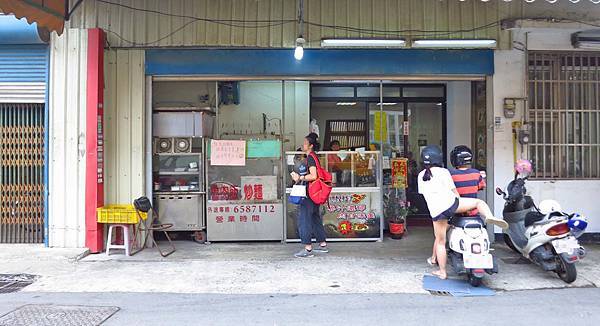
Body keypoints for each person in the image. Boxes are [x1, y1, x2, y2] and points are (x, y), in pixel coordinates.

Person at [418, 145, 508, 279]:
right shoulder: (444, 172)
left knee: (440, 241)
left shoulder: (421, 176)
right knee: (479, 203)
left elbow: (424, 194)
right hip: (452, 205)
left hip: (436, 211)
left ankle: (442, 272)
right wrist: (461, 205)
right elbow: (454, 192)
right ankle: (489, 216)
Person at [290, 133, 329, 258]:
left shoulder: (310, 157)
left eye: (305, 143)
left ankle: (307, 249)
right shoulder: (314, 156)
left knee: (304, 219)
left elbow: (314, 176)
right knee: (314, 217)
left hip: (309, 193)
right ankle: (322, 244)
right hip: (314, 193)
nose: (303, 145)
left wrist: (299, 177)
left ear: (311, 146)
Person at [449, 145, 485, 217]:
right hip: (473, 211)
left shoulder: (450, 174)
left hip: (458, 211)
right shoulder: (476, 173)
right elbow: (482, 186)